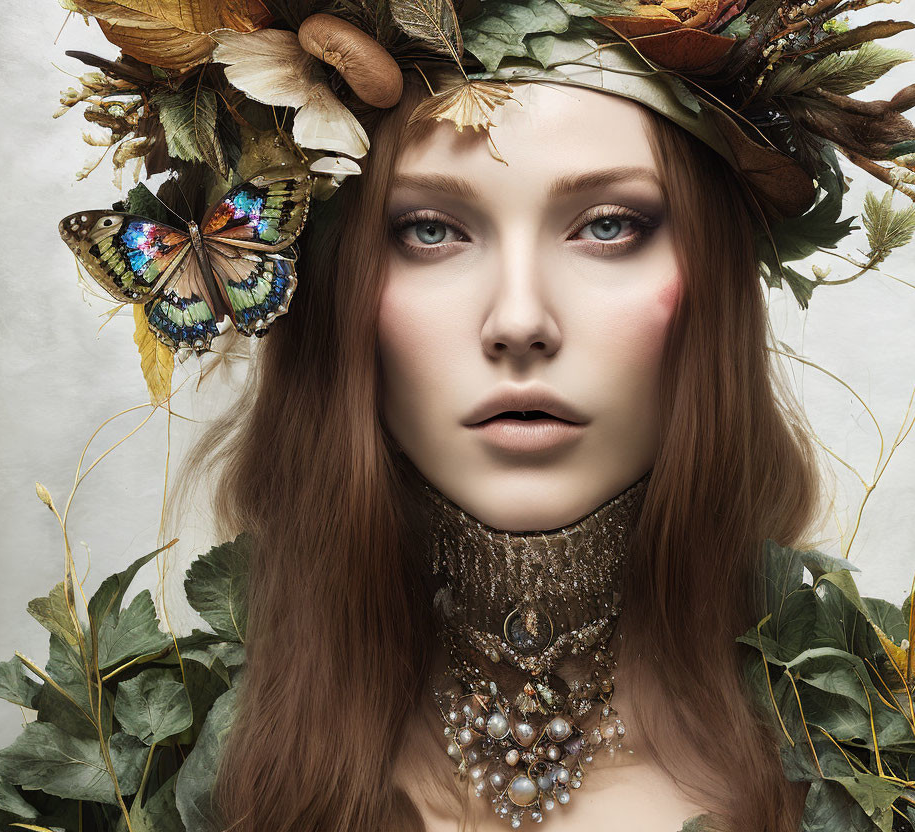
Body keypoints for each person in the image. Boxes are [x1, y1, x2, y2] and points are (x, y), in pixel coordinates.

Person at [175, 67, 825, 831]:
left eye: (609, 224)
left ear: (716, 282)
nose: (520, 321)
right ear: (329, 288)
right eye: (430, 230)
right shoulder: (145, 764)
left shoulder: (902, 771)